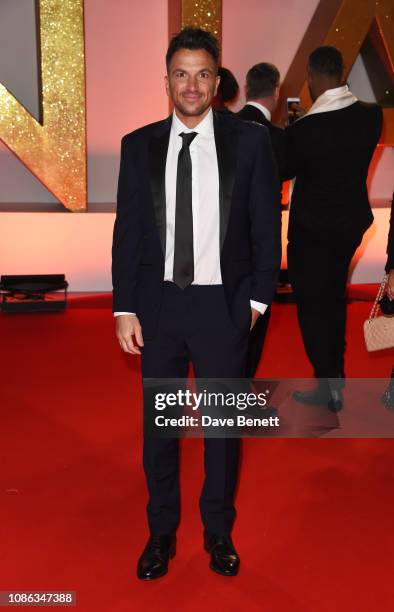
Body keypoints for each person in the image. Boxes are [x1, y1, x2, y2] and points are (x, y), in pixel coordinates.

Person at [112, 27, 281, 579]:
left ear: (217, 80)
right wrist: (123, 307)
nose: (191, 84)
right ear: (166, 80)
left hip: (222, 310)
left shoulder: (251, 143)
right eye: (181, 73)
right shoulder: (138, 147)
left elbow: (264, 226)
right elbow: (128, 232)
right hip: (158, 309)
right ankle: (161, 533)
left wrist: (256, 302)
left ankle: (217, 531)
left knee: (222, 433)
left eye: (202, 73)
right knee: (159, 430)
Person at [285, 45, 383, 411]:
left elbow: (282, 169)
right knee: (334, 300)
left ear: (311, 77)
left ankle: (329, 383)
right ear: (342, 73)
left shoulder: (305, 129)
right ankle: (334, 379)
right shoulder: (371, 117)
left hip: (312, 234)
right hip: (349, 228)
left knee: (313, 309)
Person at [236, 62, 286, 377]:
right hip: (259, 248)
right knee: (254, 320)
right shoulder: (278, 138)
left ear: (247, 88)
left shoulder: (222, 126)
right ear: (277, 92)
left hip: (221, 247)